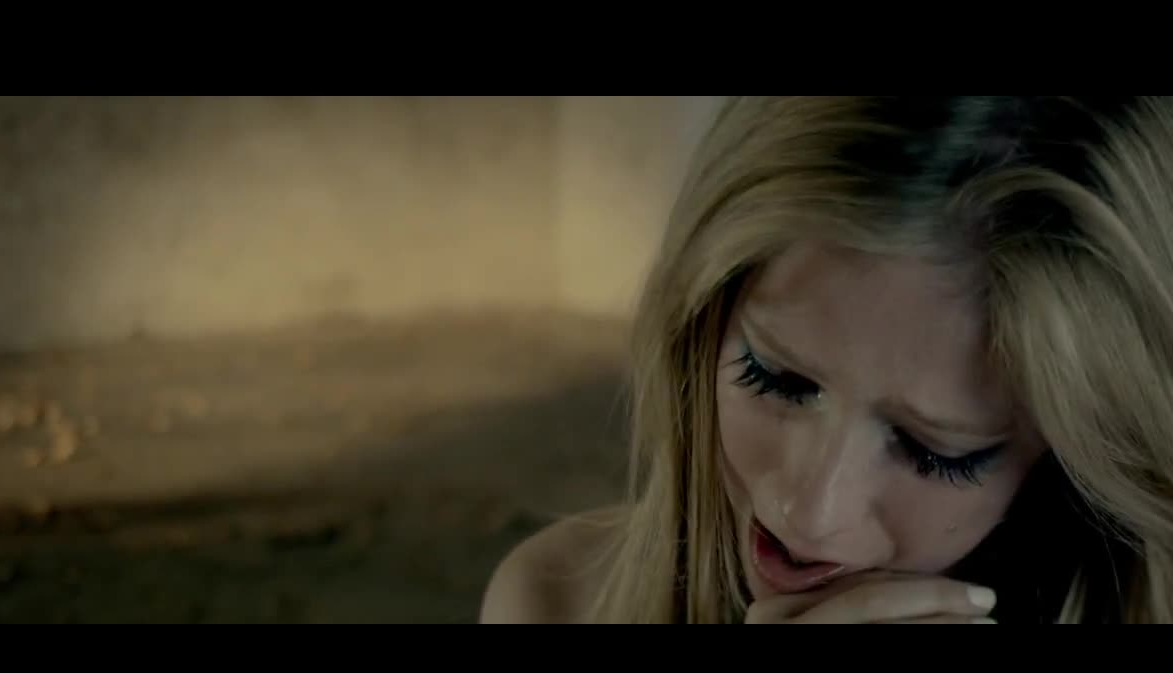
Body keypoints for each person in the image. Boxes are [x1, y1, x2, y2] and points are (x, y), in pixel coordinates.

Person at [480, 96, 1173, 624]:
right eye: (774, 378)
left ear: (1069, 460)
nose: (809, 513)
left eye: (933, 453)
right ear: (701, 326)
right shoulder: (559, 597)